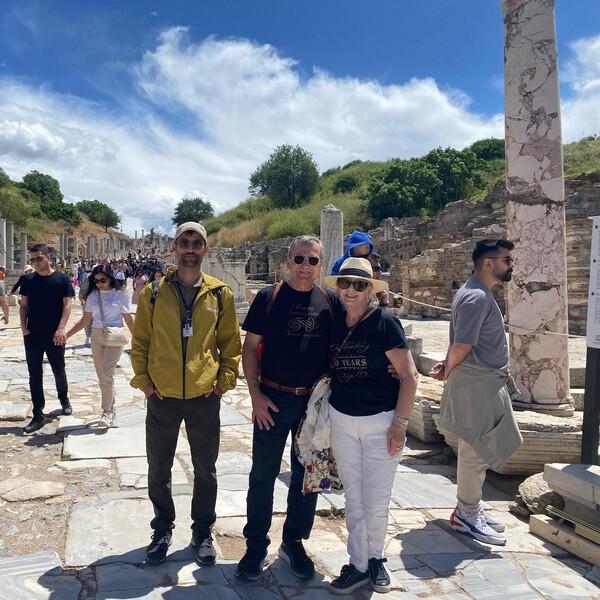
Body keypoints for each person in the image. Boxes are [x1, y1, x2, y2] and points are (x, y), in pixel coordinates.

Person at [130, 222, 241, 566]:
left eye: (196, 243)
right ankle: (162, 529)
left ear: (205, 249)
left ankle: (202, 531)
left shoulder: (220, 294)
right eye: (185, 242)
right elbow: (141, 340)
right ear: (174, 247)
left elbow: (230, 343)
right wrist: (145, 383)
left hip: (203, 395)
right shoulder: (153, 293)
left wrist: (222, 382)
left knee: (205, 468)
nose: (190, 249)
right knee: (158, 467)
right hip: (162, 395)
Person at [237, 235, 343, 581]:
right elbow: (250, 348)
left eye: (312, 260)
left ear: (321, 264)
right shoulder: (269, 297)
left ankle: (294, 541)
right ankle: (255, 545)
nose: (305, 266)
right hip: (272, 398)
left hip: (311, 404)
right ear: (288, 262)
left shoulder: (330, 300)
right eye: (299, 259)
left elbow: (344, 345)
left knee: (306, 476)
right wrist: (256, 396)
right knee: (263, 474)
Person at [322, 258, 418, 594]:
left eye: (359, 285)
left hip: (380, 421)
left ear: (370, 290)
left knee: (376, 498)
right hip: (342, 419)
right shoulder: (334, 323)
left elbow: (409, 376)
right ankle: (358, 563)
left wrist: (400, 425)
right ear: (338, 287)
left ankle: (376, 558)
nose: (351, 290)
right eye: (345, 283)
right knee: (353, 496)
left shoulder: (385, 323)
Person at [429, 239, 523, 546]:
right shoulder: (476, 297)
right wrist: (450, 367)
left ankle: (470, 506)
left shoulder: (476, 293)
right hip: (477, 382)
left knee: (480, 448)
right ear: (488, 263)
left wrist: (448, 364)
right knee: (476, 451)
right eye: (507, 259)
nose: (511, 264)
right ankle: (466, 514)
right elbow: (462, 344)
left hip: (483, 381)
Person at [66, 265, 134, 427]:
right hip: (97, 336)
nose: (99, 284)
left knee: (107, 374)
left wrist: (139, 339)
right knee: (102, 376)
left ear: (110, 278)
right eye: (96, 281)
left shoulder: (121, 294)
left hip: (115, 336)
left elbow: (128, 319)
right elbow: (85, 320)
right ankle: (111, 407)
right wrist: (67, 335)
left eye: (102, 280)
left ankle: (106, 412)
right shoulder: (93, 296)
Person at [19, 244, 75, 434]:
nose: (35, 262)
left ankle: (64, 399)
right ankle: (38, 414)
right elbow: (23, 306)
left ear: (48, 257)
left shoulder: (61, 279)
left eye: (39, 258)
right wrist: (24, 328)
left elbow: (67, 305)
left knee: (58, 369)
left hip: (54, 334)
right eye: (32, 259)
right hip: (33, 334)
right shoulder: (28, 280)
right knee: (34, 374)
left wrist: (61, 328)